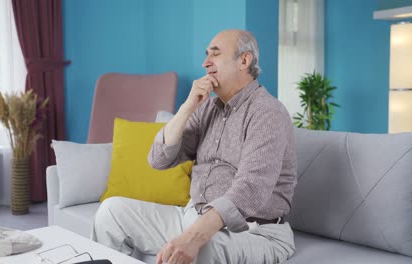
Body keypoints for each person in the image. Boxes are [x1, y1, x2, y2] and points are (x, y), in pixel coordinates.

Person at [92, 29, 297, 264]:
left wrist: (193, 237)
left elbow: (251, 188)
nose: (205, 62)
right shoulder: (206, 108)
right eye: (206, 55)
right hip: (193, 217)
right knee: (112, 212)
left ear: (244, 60)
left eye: (215, 54)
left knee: (203, 247)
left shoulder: (267, 112)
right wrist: (187, 107)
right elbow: (158, 160)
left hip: (255, 232)